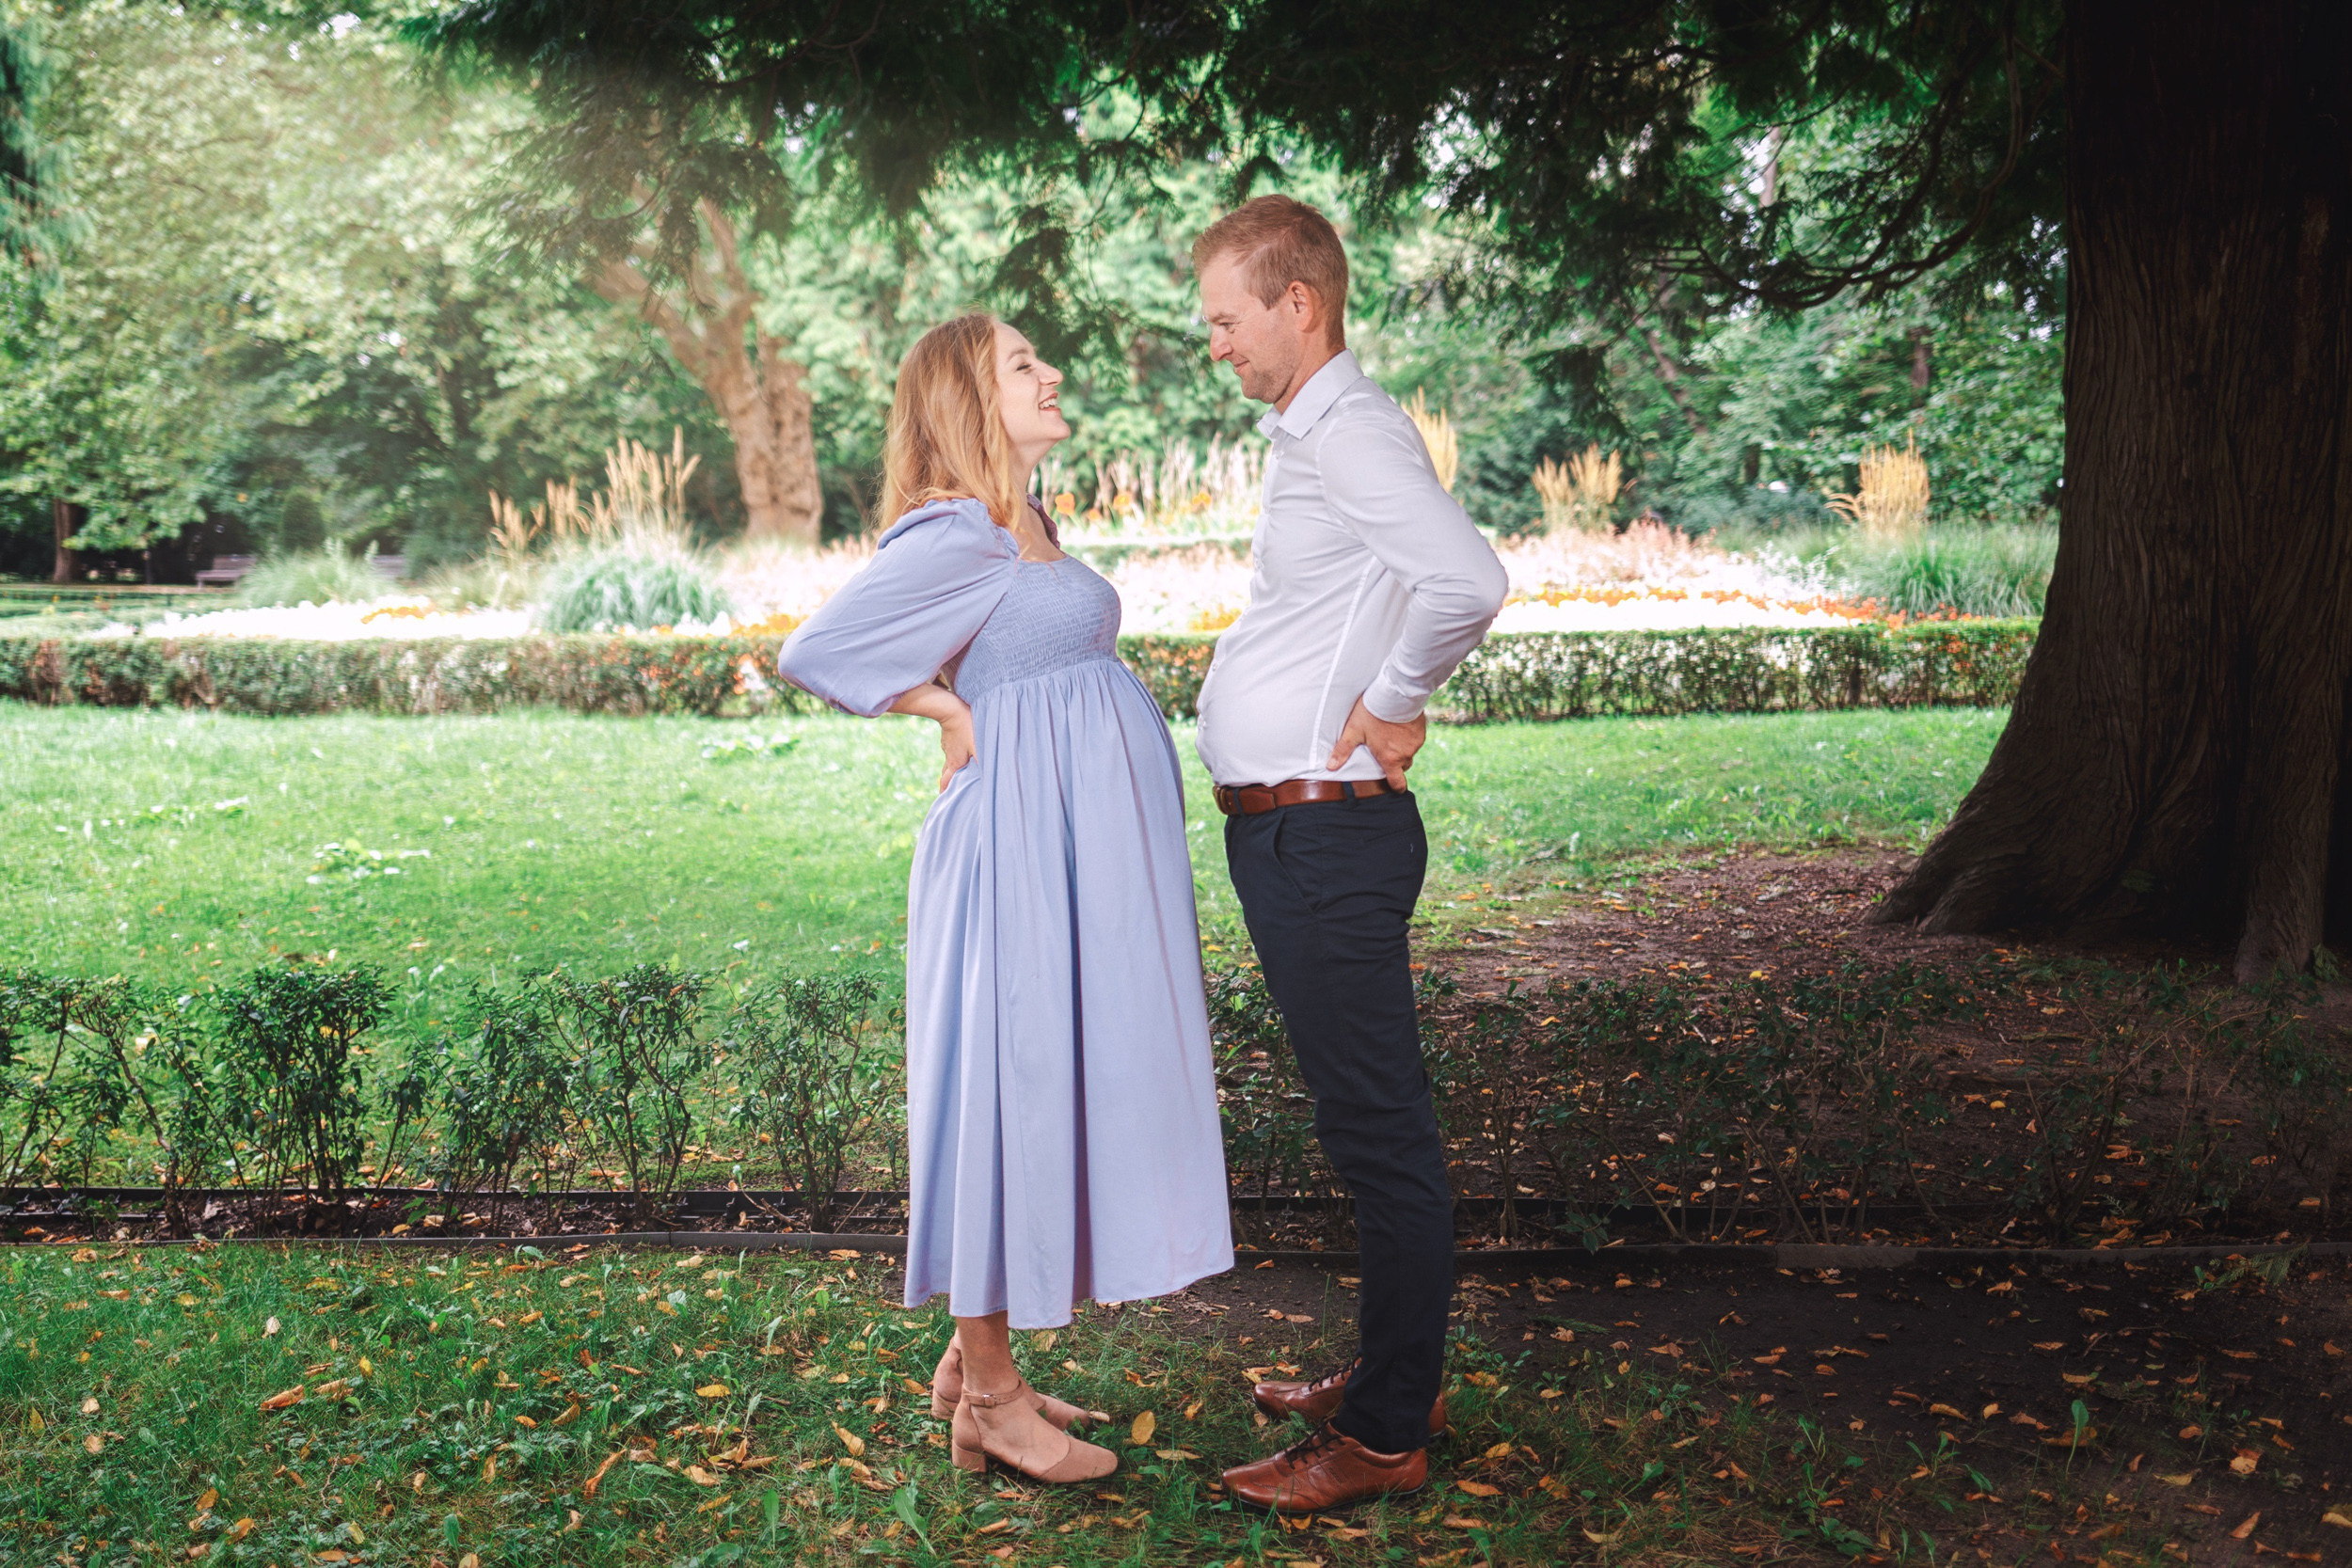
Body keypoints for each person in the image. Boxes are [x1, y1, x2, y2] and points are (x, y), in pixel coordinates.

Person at [775, 313, 1233, 1484]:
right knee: (1005, 1085)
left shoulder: (1023, 517)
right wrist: (943, 709)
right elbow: (814, 650)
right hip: (1015, 843)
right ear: (968, 398)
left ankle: (966, 1368)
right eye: (1022, 364)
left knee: (1043, 1077)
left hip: (1065, 842)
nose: (1052, 372)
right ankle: (990, 1396)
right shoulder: (959, 528)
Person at [1191, 196, 1509, 1513]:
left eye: (1227, 318)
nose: (1216, 343)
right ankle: (1394, 1377)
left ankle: (1382, 1437)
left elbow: (1467, 579)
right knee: (1365, 1125)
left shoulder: (1352, 431)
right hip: (1303, 831)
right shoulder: (1321, 433)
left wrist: (1394, 696)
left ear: (1298, 302)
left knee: (1381, 1135)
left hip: (1326, 831)